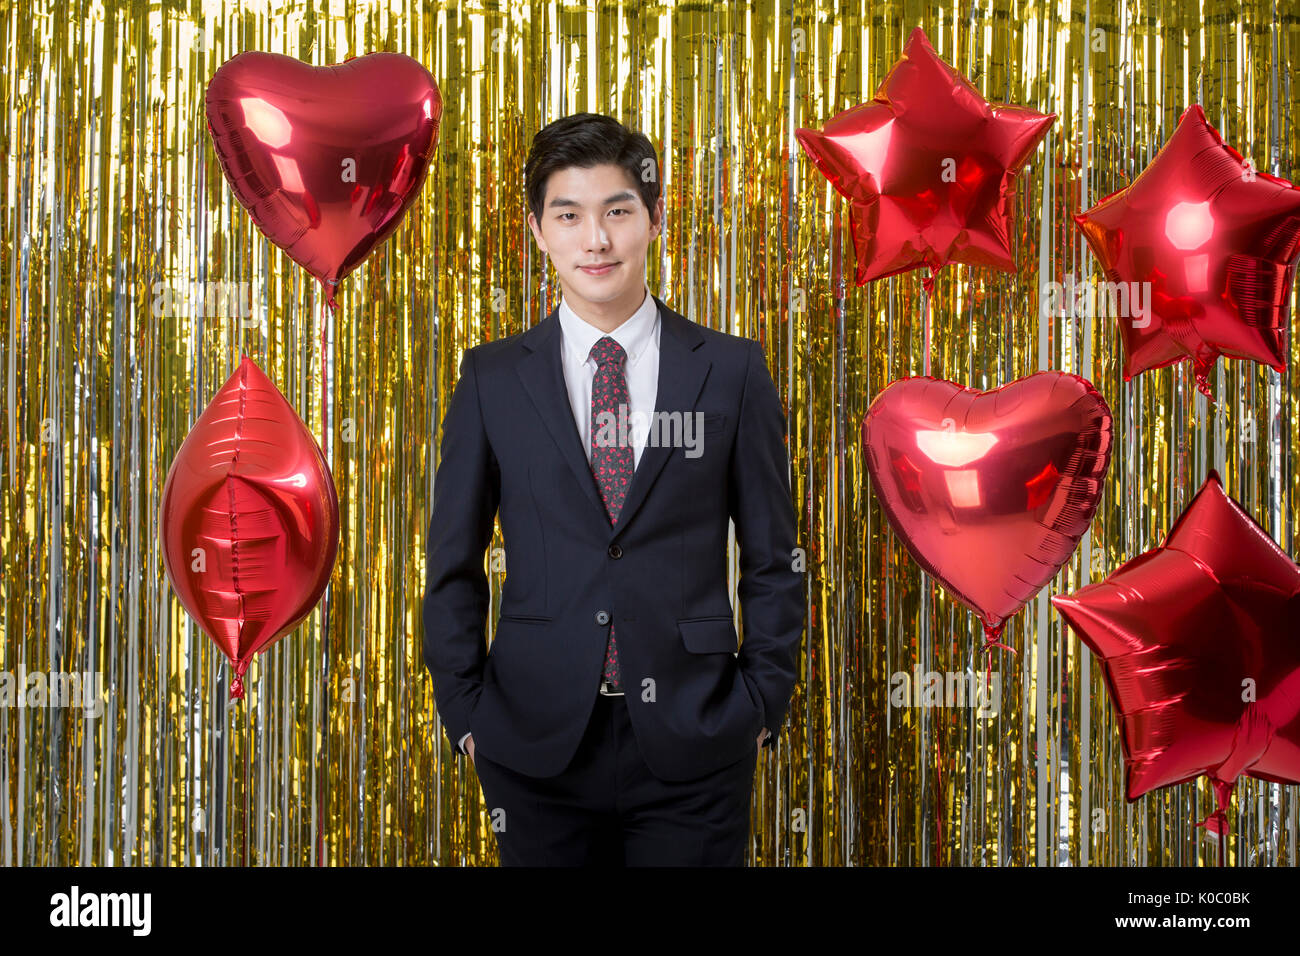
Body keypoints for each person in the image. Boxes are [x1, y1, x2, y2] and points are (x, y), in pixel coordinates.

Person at [422, 112, 804, 865]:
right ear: (538, 230)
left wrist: (761, 703)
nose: (595, 240)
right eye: (569, 215)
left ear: (654, 219)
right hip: (533, 741)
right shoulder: (492, 379)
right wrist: (466, 712)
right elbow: (452, 561)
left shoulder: (729, 370)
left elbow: (772, 557)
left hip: (696, 739)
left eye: (617, 211)